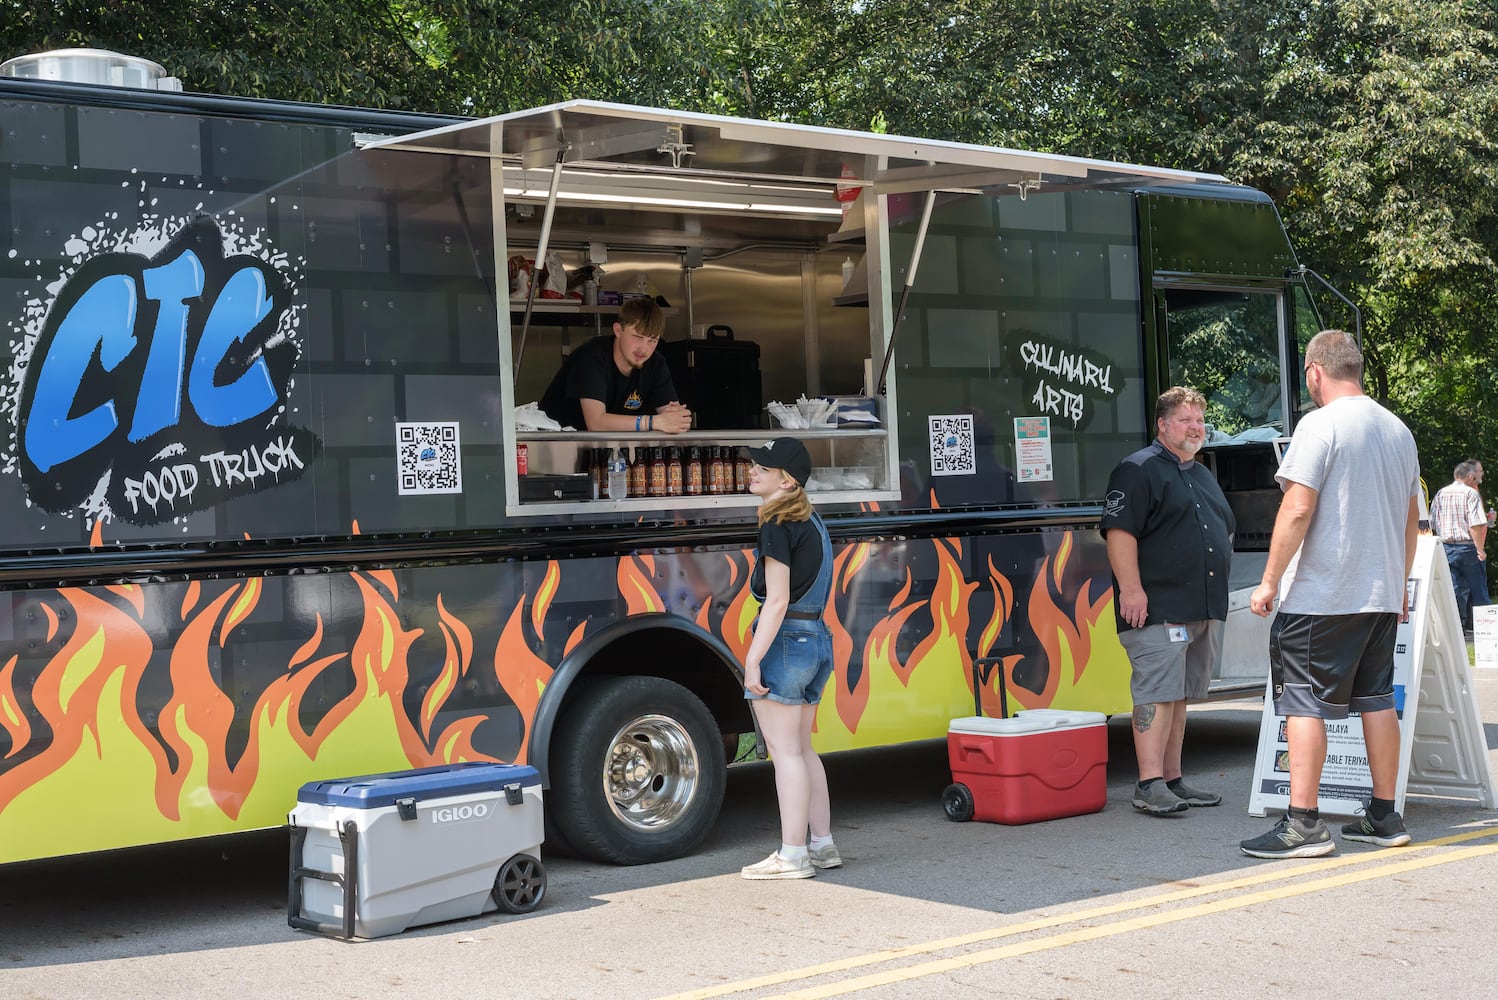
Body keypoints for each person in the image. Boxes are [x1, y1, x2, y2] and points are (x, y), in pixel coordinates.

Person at [1242, 330, 1421, 859]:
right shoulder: (1398, 430)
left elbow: (1297, 508)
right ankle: (1385, 818)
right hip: (1380, 594)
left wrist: (1270, 579)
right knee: (1376, 700)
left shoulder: (1318, 425)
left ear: (1315, 371)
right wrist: (1400, 583)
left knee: (1303, 702)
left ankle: (1303, 824)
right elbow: (1411, 519)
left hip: (1324, 594)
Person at [1100, 386, 1234, 816]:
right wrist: (1132, 590)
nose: (1196, 428)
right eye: (1185, 420)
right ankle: (1148, 783)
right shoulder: (1136, 470)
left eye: (1200, 421)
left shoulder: (1200, 473)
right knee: (1156, 693)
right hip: (1158, 607)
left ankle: (1172, 781)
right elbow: (1120, 533)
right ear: (1162, 424)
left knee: (1178, 696)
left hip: (1200, 606)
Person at [738, 437, 840, 880]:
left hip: (785, 641)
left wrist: (753, 660)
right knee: (802, 749)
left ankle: (792, 855)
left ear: (788, 480)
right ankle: (822, 844)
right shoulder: (814, 522)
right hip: (817, 637)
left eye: (765, 466)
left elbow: (776, 601)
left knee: (785, 755)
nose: (753, 470)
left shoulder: (776, 524)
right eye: (755, 463)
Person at [538, 298, 693, 433]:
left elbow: (675, 419)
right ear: (618, 330)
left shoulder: (655, 363)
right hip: (557, 444)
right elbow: (596, 423)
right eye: (637, 337)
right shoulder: (592, 357)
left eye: (652, 340)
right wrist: (652, 422)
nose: (644, 349)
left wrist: (677, 420)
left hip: (610, 451)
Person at [1429, 460, 1489, 633]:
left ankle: (1454, 632)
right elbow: (1475, 524)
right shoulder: (1471, 494)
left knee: (1453, 592)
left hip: (1446, 548)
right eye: (1478, 475)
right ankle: (1487, 633)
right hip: (1468, 548)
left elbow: (1432, 522)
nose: (1480, 477)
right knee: (1479, 593)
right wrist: (1480, 549)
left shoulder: (1441, 493)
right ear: (1470, 476)